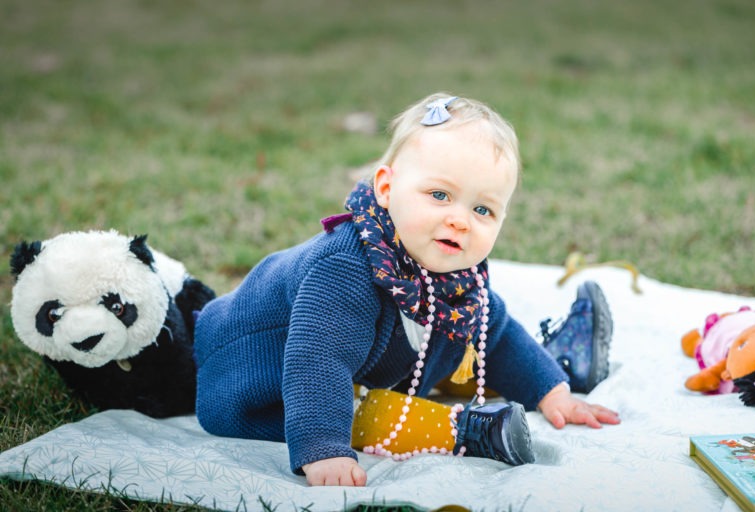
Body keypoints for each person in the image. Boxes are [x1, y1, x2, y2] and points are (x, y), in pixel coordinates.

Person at [194, 93, 621, 487]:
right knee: (366, 406)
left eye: (482, 209)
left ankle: (560, 362)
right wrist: (324, 449)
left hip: (360, 369)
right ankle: (466, 429)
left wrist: (551, 392)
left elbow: (497, 332)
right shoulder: (345, 268)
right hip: (250, 381)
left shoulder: (457, 273)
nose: (460, 220)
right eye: (439, 195)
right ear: (386, 188)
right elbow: (317, 359)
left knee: (469, 347)